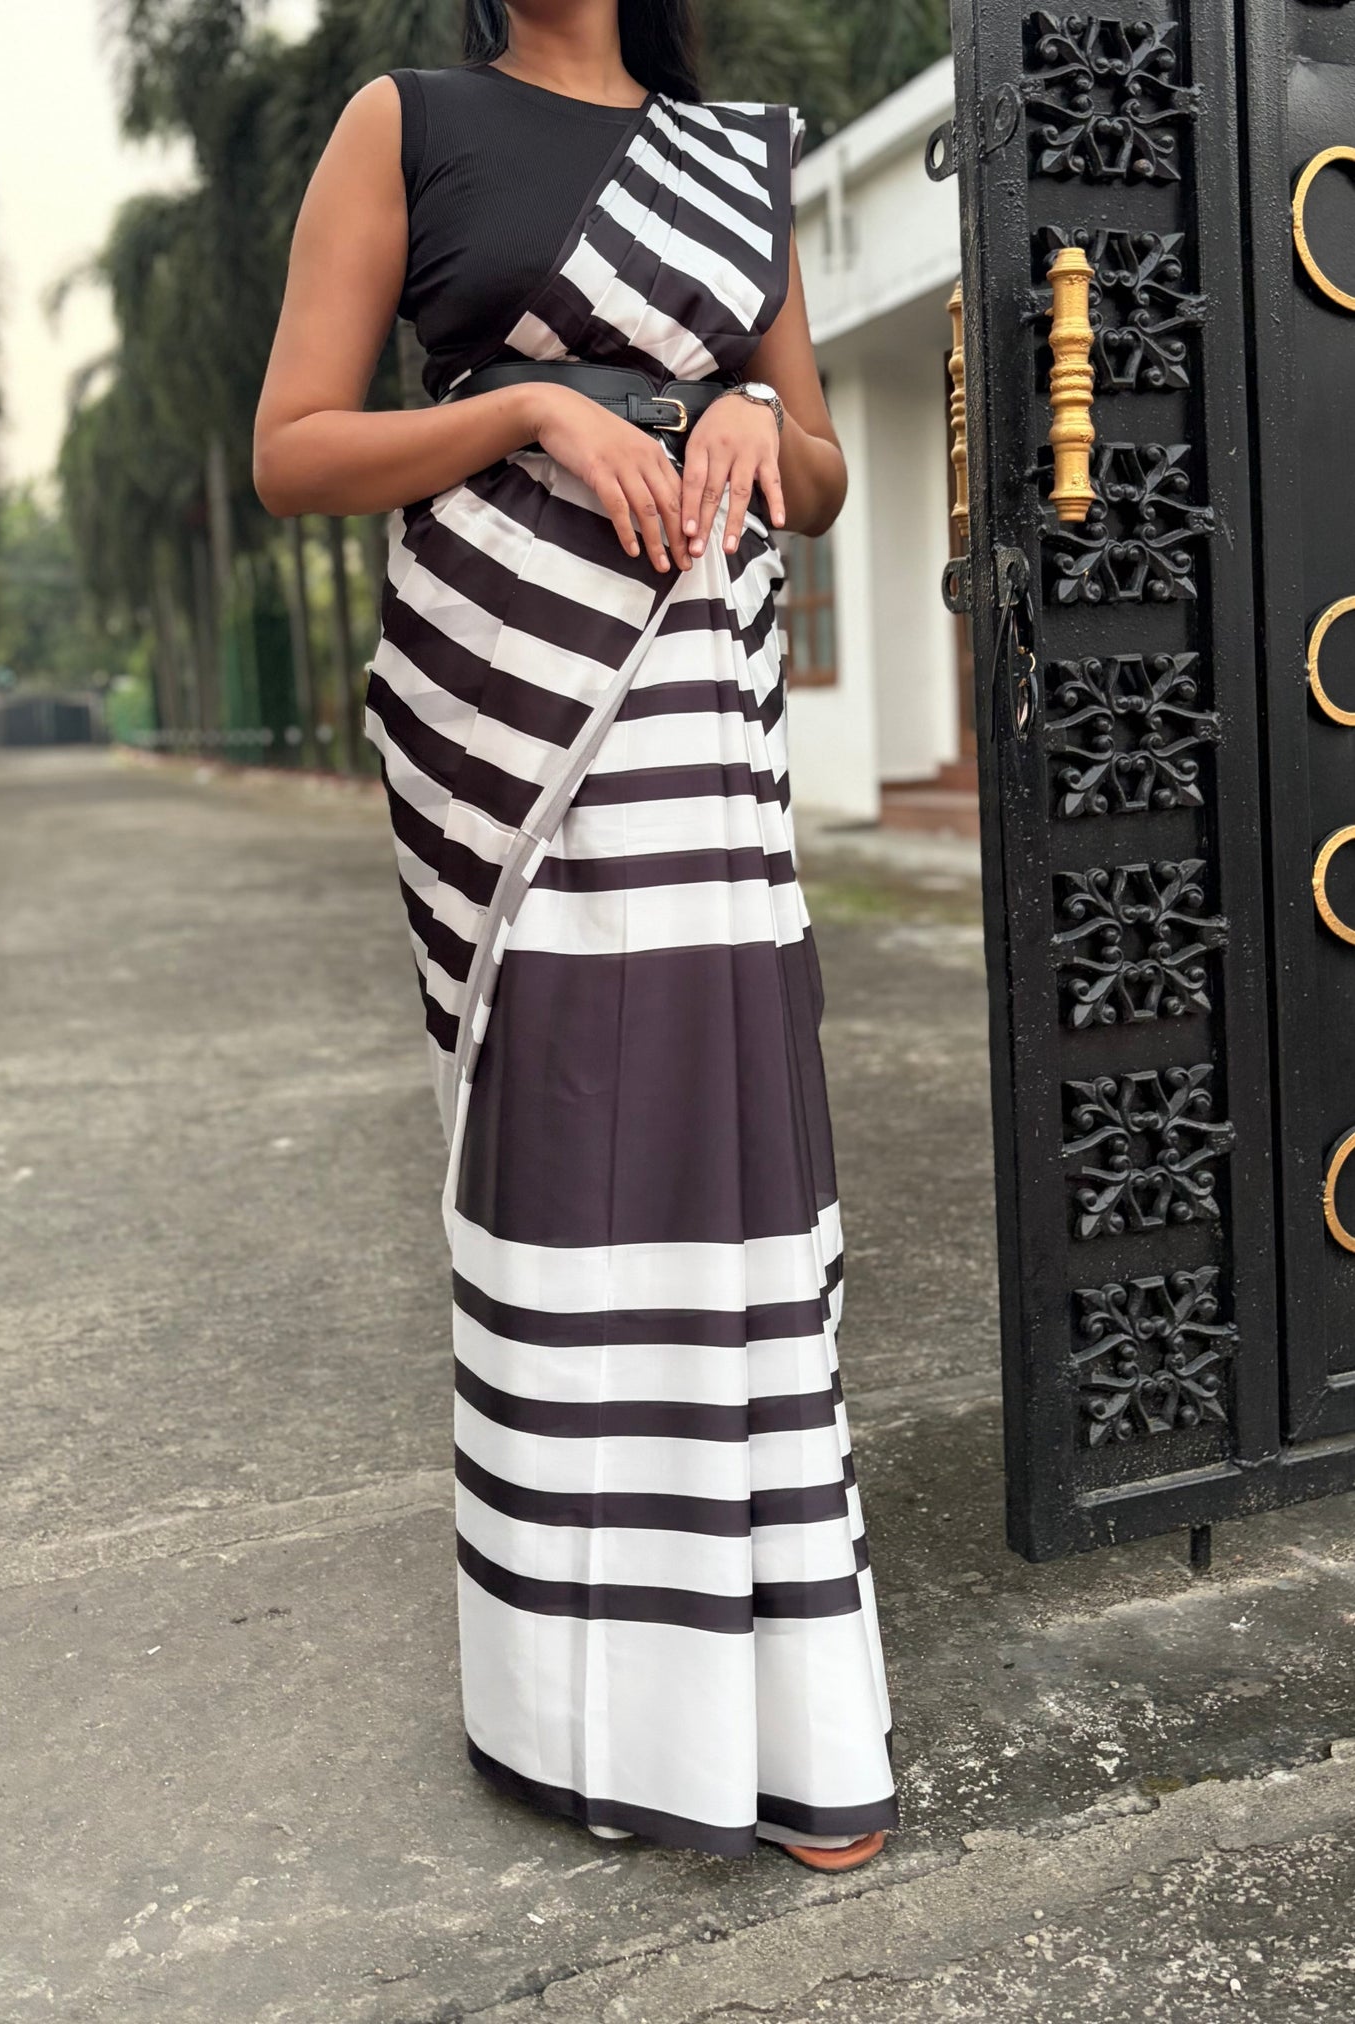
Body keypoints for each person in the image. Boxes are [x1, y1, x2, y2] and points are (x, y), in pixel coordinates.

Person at [253, 0, 897, 1870]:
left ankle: (790, 1713)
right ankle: (575, 1716)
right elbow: (294, 450)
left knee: (728, 1148)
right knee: (571, 1156)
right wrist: (535, 407)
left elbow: (822, 473)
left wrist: (752, 417)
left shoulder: (738, 152)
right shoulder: (405, 121)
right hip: (507, 712)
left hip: (697, 702)